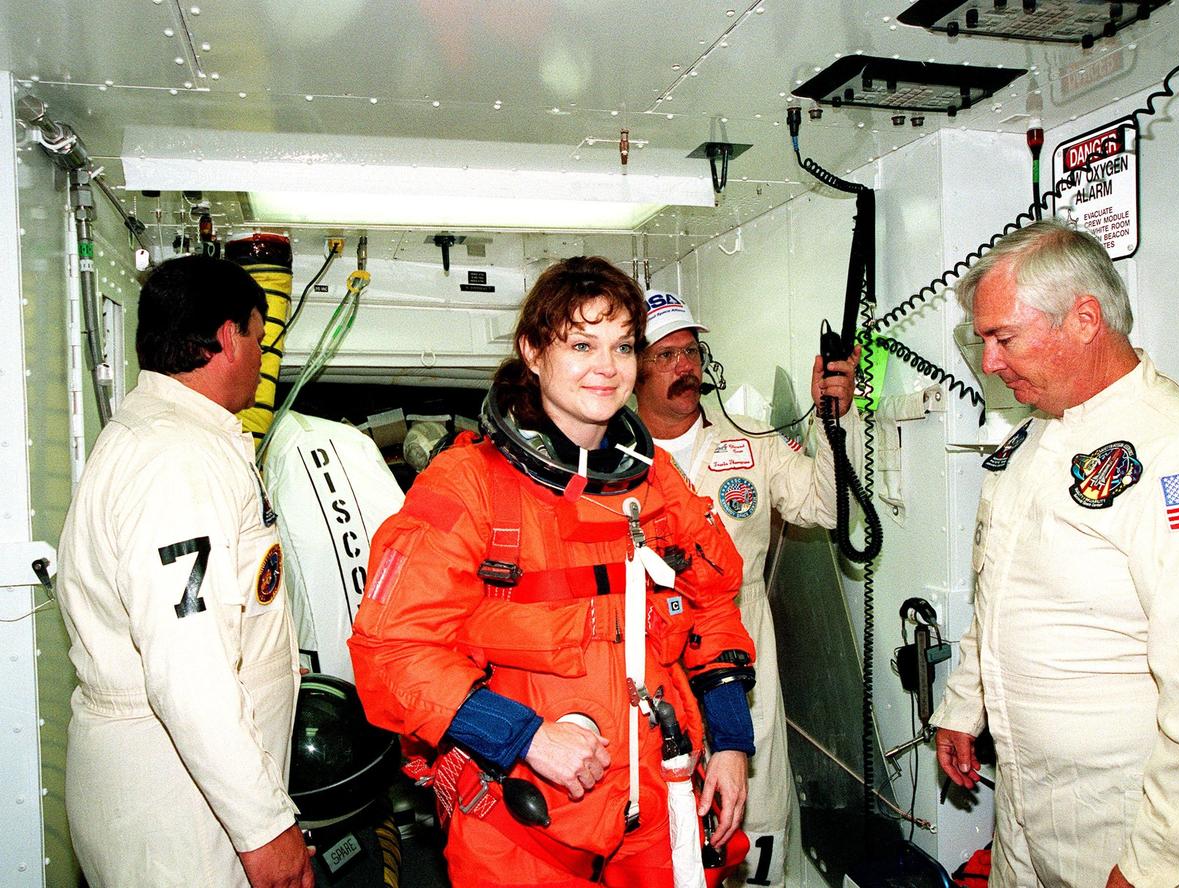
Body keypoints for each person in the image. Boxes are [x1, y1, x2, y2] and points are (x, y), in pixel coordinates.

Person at [348, 256, 759, 888]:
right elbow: (393, 648)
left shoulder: (657, 484)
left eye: (623, 346)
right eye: (581, 343)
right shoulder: (470, 485)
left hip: (661, 806)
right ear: (533, 351)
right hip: (524, 826)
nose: (608, 365)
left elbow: (713, 601)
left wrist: (730, 739)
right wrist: (525, 738)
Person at [931, 219, 1179, 888]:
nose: (991, 364)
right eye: (985, 343)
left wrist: (1156, 870)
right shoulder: (1032, 442)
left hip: (1130, 826)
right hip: (1029, 809)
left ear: (1085, 319)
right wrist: (962, 706)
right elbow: (997, 593)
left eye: (1004, 338)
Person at [56, 256, 312, 887]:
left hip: (196, 790)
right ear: (229, 336)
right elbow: (188, 668)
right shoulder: (173, 462)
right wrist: (265, 830)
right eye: (260, 337)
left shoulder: (173, 438)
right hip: (182, 809)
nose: (260, 356)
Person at [632, 289, 861, 887]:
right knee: (660, 826)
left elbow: (829, 508)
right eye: (666, 355)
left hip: (743, 646)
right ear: (632, 369)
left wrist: (841, 420)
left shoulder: (752, 440)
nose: (685, 366)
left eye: (691, 352)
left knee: (757, 822)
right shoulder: (611, 455)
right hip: (648, 661)